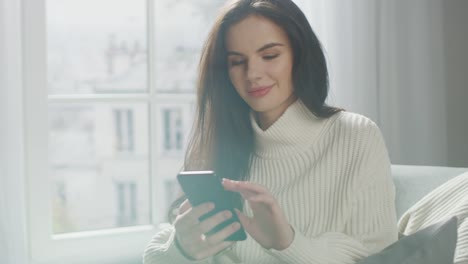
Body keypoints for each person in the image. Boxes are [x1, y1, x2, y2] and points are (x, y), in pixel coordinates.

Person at [143, 0, 398, 263]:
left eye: (269, 56)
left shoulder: (355, 135)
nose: (252, 74)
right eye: (237, 61)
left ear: (300, 55)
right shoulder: (220, 141)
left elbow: (379, 255)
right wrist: (181, 251)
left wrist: (287, 242)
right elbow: (156, 253)